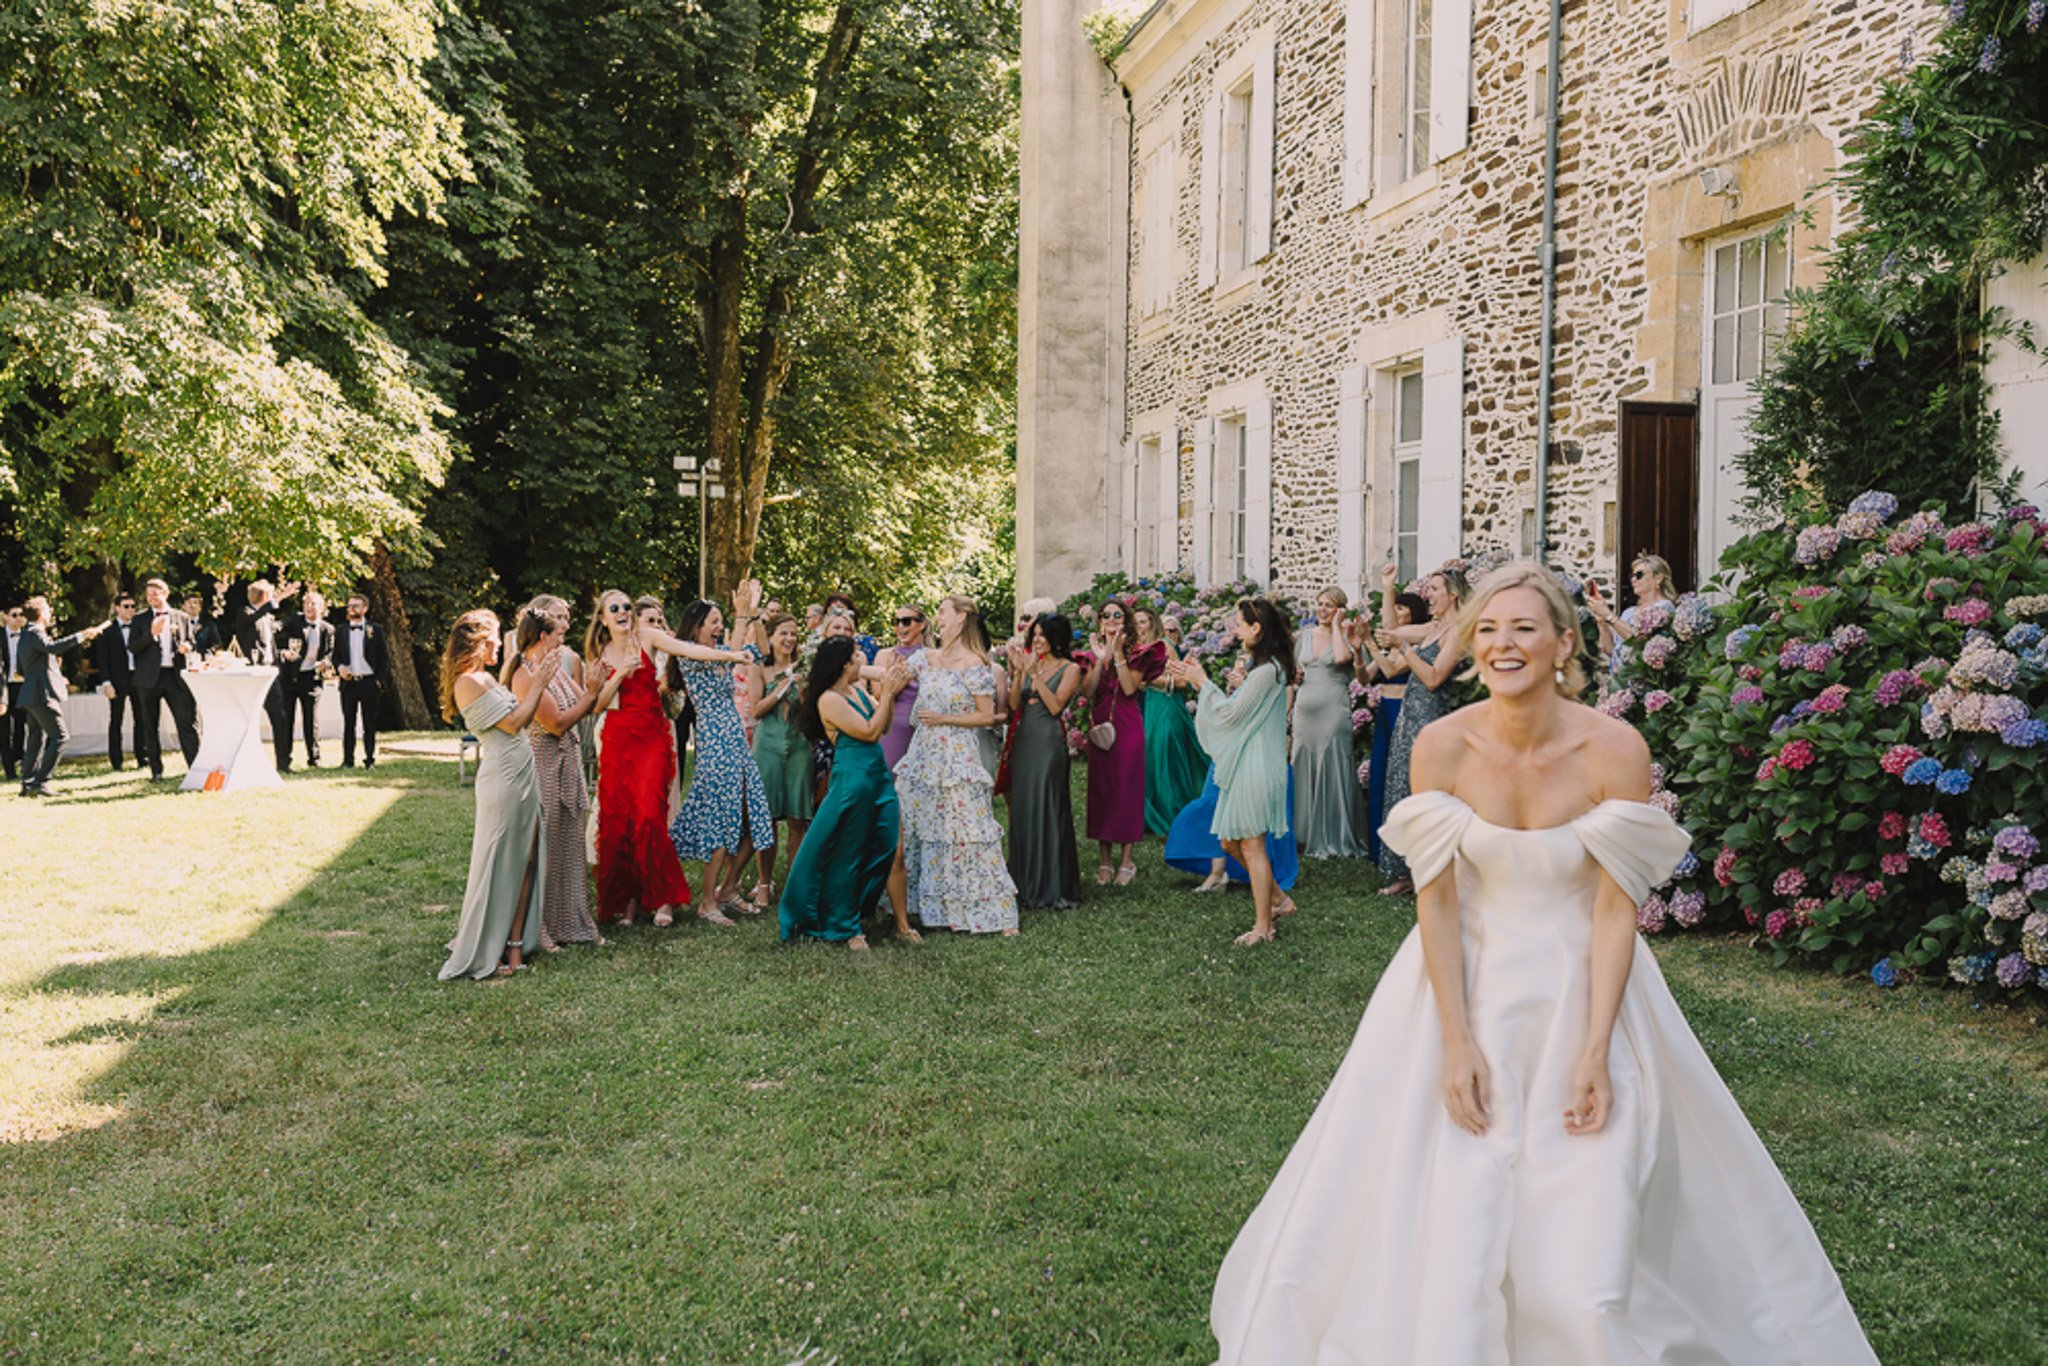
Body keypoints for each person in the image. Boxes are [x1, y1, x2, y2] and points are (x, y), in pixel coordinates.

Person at [1210, 562, 1878, 1364]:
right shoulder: (1442, 747)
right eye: (1486, 629)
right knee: (1454, 1196)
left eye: (1524, 628)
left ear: (1565, 643)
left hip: (1585, 986)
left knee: (1588, 1210)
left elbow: (1611, 908)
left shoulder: (1615, 749)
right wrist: (1455, 1043)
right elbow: (1439, 900)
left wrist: (1595, 1047)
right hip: (1461, 983)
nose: (1502, 644)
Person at [585, 588, 743, 928]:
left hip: (652, 739)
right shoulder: (601, 652)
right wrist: (621, 673)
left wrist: (730, 657)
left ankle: (663, 898)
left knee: (648, 816)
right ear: (603, 617)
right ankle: (628, 904)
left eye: (627, 605)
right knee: (620, 821)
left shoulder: (648, 635)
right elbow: (597, 704)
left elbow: (687, 648)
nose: (624, 611)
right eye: (616, 607)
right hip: (617, 738)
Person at [1166, 599, 1295, 945]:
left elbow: (1228, 715)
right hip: (1248, 762)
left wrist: (1201, 682)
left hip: (1257, 765)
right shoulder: (1265, 669)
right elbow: (1244, 710)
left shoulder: (1268, 671)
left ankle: (1262, 926)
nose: (1235, 630)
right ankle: (1280, 899)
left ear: (1257, 628)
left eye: (1239, 623)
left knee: (1252, 845)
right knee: (1228, 841)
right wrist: (1236, 684)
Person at [778, 637, 918, 947]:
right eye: (857, 656)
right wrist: (888, 694)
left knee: (891, 849)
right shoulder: (828, 699)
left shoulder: (857, 691)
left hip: (879, 777)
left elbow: (883, 727)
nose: (862, 660)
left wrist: (888, 697)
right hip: (852, 781)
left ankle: (899, 923)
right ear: (844, 663)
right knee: (848, 854)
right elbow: (867, 733)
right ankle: (847, 927)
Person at [439, 609, 555, 980]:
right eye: (493, 640)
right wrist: (540, 684)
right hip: (503, 780)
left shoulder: (487, 677)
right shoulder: (467, 683)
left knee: (528, 860)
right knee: (504, 862)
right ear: (477, 642)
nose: (500, 645)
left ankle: (516, 943)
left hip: (523, 773)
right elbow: (515, 721)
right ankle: (492, 945)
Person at [893, 594, 1018, 935]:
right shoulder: (927, 657)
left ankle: (992, 910)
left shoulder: (975, 663)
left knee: (966, 828)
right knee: (923, 826)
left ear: (962, 617)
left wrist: (944, 718)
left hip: (958, 756)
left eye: (943, 612)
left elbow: (986, 716)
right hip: (923, 756)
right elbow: (890, 674)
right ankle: (927, 907)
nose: (939, 618)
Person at [508, 599, 624, 951]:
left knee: (568, 845)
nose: (564, 636)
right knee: (544, 847)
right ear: (543, 636)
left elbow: (589, 705)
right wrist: (588, 695)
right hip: (544, 764)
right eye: (558, 631)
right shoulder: (525, 674)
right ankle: (538, 928)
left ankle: (571, 923)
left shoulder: (555, 668)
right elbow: (556, 723)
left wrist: (596, 685)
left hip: (568, 760)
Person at [667, 584, 776, 917]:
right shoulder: (688, 654)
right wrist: (740, 616)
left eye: (720, 621)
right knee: (721, 817)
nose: (719, 628)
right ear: (696, 626)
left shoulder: (721, 653)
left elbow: (762, 651)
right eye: (713, 622)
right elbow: (729, 654)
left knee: (752, 815)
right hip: (715, 742)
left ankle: (727, 888)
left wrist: (755, 616)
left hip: (735, 742)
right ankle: (707, 902)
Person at [1374, 562, 1470, 896]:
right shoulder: (1432, 627)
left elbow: (1432, 679)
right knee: (1401, 787)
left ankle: (1428, 872)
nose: (1426, 595)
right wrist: (1388, 589)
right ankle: (1403, 873)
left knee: (1424, 794)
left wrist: (1404, 649)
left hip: (1431, 719)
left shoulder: (1458, 631)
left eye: (1433, 589)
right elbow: (1391, 632)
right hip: (1409, 716)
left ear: (1453, 595)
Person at [1082, 596, 1167, 884]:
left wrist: (1117, 654)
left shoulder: (1140, 652)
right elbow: (1089, 691)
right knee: (1102, 788)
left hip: (1128, 725)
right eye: (1106, 616)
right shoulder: (1092, 653)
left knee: (1126, 788)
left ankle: (1127, 861)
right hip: (1101, 724)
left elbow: (1130, 689)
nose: (1111, 620)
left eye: (1117, 615)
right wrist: (1099, 659)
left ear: (1126, 620)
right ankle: (1105, 861)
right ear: (1099, 622)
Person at [1005, 612, 1083, 909]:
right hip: (1025, 741)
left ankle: (1051, 884)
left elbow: (1055, 706)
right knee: (1024, 808)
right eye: (1033, 634)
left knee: (1048, 806)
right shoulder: (1027, 663)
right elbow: (1014, 705)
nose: (1036, 640)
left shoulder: (1070, 668)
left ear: (1056, 638)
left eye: (1042, 634)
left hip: (1048, 743)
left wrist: (1035, 675)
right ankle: (1023, 882)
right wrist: (1017, 673)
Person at [1351, 590, 1431, 861]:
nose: (1395, 613)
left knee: (1399, 776)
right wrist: (1359, 651)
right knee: (1380, 774)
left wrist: (1371, 643)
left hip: (1402, 710)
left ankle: (1400, 851)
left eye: (1401, 608)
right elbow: (1365, 679)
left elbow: (1392, 671)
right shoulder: (1392, 647)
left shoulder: (1417, 646)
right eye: (1394, 608)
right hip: (1384, 709)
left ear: (1414, 615)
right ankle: (1377, 849)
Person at [1292, 586, 1366, 859]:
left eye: (1330, 605)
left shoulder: (1345, 636)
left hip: (1333, 710)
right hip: (1305, 711)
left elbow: (1341, 659)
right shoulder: (1303, 636)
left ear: (1340, 609)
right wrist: (1296, 679)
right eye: (1320, 604)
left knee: (1333, 764)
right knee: (1302, 762)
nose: (1322, 609)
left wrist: (1337, 625)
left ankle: (1336, 835)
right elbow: (1293, 670)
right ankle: (1302, 833)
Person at [747, 612, 814, 906]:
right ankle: (764, 883)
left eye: (794, 634)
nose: (789, 639)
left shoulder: (805, 668)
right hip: (768, 744)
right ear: (771, 636)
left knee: (798, 818)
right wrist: (782, 687)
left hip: (799, 744)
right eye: (784, 633)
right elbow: (756, 710)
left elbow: (813, 712)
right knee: (768, 817)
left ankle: (795, 884)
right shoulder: (760, 669)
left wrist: (802, 688)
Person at [14, 598, 107, 797]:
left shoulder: (25, 635)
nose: (50, 613)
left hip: (31, 694)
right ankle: (41, 782)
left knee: (36, 739)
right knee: (61, 737)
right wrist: (82, 635)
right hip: (41, 694)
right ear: (41, 614)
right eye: (48, 610)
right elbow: (52, 647)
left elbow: (21, 668)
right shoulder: (35, 632)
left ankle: (28, 783)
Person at [1135, 605, 1206, 836]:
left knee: (1167, 753)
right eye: (1135, 623)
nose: (1139, 627)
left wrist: (1153, 681)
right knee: (1152, 756)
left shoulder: (1164, 645)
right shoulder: (1136, 650)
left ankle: (1175, 814)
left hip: (1167, 705)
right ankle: (1153, 814)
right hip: (1149, 707)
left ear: (1152, 624)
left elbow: (1184, 682)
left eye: (1143, 622)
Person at [128, 578, 201, 781]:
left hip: (175, 677)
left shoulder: (181, 617)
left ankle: (196, 768)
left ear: (166, 593)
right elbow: (132, 647)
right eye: (148, 594)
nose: (151, 597)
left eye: (155, 593)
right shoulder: (139, 619)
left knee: (187, 723)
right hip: (148, 679)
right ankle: (156, 771)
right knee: (150, 726)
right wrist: (151, 634)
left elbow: (192, 642)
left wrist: (187, 646)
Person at [237, 578, 300, 768]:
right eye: (270, 595)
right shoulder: (245, 612)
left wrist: (281, 654)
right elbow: (261, 612)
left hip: (271, 673)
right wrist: (282, 595)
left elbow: (267, 645)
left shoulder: (265, 618)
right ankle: (245, 761)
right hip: (253, 674)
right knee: (248, 718)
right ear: (264, 597)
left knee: (279, 717)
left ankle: (283, 763)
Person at [1587, 551, 1679, 677]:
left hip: (1645, 679)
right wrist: (1601, 621)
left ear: (1658, 578)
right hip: (1620, 682)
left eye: (1639, 575)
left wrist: (1609, 615)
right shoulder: (1629, 612)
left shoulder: (1664, 607)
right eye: (1632, 576)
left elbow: (1639, 642)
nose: (1633, 579)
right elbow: (1610, 650)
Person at [277, 590, 334, 770]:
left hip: (312, 679)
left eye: (313, 603)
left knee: (312, 720)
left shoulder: (328, 629)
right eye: (306, 603)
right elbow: (275, 629)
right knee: (287, 720)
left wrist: (325, 662)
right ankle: (284, 761)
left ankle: (314, 759)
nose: (309, 607)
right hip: (290, 678)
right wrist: (282, 652)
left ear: (322, 607)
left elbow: (332, 653)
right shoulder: (294, 620)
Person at [334, 592, 389, 769]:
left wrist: (379, 680)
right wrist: (340, 668)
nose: (351, 609)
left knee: (369, 723)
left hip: (369, 682)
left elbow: (384, 657)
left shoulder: (375, 629)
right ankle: (348, 760)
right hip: (349, 683)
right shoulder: (341, 631)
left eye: (355, 606)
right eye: (349, 606)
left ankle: (370, 759)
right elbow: (335, 656)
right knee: (348, 723)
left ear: (365, 608)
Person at [91, 593, 140, 771]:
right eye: (126, 606)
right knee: (116, 720)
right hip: (117, 680)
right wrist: (106, 682)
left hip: (139, 678)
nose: (130, 610)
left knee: (142, 719)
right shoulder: (107, 631)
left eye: (133, 606)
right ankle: (116, 761)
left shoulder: (140, 627)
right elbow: (102, 659)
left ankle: (142, 757)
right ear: (117, 608)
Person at [878, 603, 928, 769]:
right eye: (896, 621)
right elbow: (879, 695)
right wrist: (897, 683)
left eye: (906, 621)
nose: (900, 626)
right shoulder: (885, 655)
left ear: (921, 625)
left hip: (924, 727)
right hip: (893, 727)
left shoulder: (932, 656)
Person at [0, 605, 25, 782]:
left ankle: (19, 761)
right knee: (4, 731)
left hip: (23, 686)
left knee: (21, 728)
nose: (18, 618)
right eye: (14, 615)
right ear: (6, 617)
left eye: (21, 615)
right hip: (4, 686)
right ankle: (9, 771)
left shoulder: (28, 635)